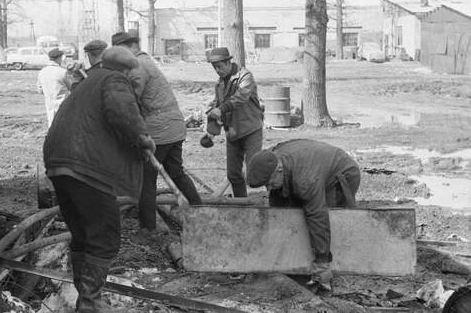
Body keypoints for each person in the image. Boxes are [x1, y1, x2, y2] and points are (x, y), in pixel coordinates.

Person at [43, 46, 155, 312]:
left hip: (59, 163)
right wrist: (143, 138)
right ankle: (91, 303)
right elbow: (122, 113)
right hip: (85, 165)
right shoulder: (115, 80)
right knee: (105, 236)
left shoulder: (88, 81)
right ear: (126, 70)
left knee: (83, 234)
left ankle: (86, 300)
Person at [112, 31, 202, 231]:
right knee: (176, 172)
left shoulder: (137, 66)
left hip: (160, 127)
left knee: (146, 179)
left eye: (121, 51)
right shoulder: (145, 61)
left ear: (132, 47)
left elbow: (131, 98)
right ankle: (200, 212)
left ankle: (148, 228)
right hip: (173, 125)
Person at [246, 139, 361, 292]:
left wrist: (321, 261)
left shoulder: (305, 180)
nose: (268, 188)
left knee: (327, 220)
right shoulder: (273, 159)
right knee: (285, 211)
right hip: (312, 167)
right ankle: (295, 264)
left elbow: (317, 216)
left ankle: (325, 271)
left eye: (270, 183)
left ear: (279, 169)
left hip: (340, 174)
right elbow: (279, 213)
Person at [206, 47, 263, 198]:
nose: (217, 70)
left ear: (228, 62)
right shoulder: (219, 84)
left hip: (251, 130)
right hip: (232, 132)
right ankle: (241, 204)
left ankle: (275, 199)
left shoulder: (245, 76)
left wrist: (221, 109)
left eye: (220, 66)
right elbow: (218, 105)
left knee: (255, 171)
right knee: (233, 175)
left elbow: (241, 96)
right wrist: (212, 118)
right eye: (214, 67)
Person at [37, 48, 70, 127]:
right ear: (59, 58)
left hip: (49, 105)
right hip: (63, 106)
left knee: (52, 126)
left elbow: (40, 90)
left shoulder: (42, 72)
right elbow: (72, 87)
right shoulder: (62, 72)